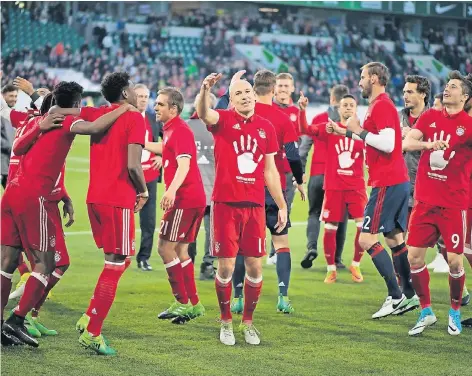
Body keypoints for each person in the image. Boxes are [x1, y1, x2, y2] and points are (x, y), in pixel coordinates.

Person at [1, 81, 133, 347]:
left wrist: (40, 123)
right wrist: (124, 108)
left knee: (6, 263)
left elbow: (17, 149)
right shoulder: (64, 120)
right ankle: (16, 321)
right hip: (34, 195)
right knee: (47, 264)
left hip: (11, 193)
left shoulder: (32, 121)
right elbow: (95, 126)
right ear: (76, 103)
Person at [196, 73, 287, 346]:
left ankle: (248, 322)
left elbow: (270, 170)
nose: (245, 95)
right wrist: (204, 90)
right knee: (224, 268)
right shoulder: (223, 120)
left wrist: (281, 204)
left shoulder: (266, 127)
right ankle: (225, 321)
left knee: (255, 267)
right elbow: (204, 113)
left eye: (248, 91)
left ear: (254, 95)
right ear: (232, 101)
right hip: (225, 205)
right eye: (238, 93)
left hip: (255, 207)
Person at [68, 72, 147, 355]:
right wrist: (144, 191)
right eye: (133, 90)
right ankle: (93, 332)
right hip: (117, 198)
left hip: (95, 198)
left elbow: (69, 108)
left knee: (121, 258)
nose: (138, 94)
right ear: (125, 94)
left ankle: (90, 314)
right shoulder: (135, 118)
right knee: (116, 263)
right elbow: (134, 166)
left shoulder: (101, 112)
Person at [331, 62, 418, 318]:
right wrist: (348, 132)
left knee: (366, 239)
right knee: (394, 239)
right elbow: (379, 140)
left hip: (387, 182)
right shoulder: (382, 105)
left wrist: (358, 130)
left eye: (362, 77)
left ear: (375, 78)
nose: (359, 82)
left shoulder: (381, 105)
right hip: (396, 180)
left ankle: (395, 296)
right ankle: (410, 295)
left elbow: (389, 144)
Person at [227, 70, 304, 315]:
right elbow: (292, 154)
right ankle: (283, 296)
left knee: (242, 245)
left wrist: (231, 86)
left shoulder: (240, 112)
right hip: (274, 188)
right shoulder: (282, 118)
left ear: (253, 89)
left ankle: (237, 297)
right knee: (281, 242)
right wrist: (299, 181)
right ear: (273, 90)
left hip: (245, 187)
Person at [403, 70, 472, 336]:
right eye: (446, 86)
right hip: (424, 201)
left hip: (453, 204)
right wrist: (428, 145)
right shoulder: (430, 116)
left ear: (464, 96)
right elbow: (407, 143)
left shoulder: (468, 125)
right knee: (414, 257)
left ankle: (454, 311)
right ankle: (426, 311)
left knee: (455, 262)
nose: (447, 89)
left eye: (453, 87)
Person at [145, 87, 206, 324]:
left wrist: (170, 191)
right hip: (193, 198)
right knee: (181, 250)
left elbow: (184, 165)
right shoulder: (170, 130)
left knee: (164, 247)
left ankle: (181, 302)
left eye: (160, 104)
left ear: (174, 109)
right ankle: (194, 304)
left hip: (184, 199)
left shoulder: (180, 130)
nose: (155, 107)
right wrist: (142, 143)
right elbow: (166, 149)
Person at [299, 93, 366, 283]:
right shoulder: (329, 129)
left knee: (363, 226)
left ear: (356, 108)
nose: (347, 108)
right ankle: (331, 269)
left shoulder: (363, 132)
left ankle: (355, 264)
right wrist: (302, 110)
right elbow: (305, 129)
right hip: (334, 186)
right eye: (344, 105)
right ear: (339, 108)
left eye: (351, 105)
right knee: (330, 227)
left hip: (356, 186)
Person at [400, 77, 451, 272]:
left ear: (422, 94)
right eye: (404, 91)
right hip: (401, 184)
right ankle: (405, 289)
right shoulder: (397, 117)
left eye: (410, 92)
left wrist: (412, 134)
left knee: (441, 239)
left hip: (429, 186)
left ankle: (457, 278)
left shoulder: (436, 118)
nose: (405, 95)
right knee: (399, 239)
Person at [300, 85, 349, 270]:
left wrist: (301, 172)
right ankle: (336, 258)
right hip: (339, 178)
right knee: (340, 217)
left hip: (317, 174)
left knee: (313, 212)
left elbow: (304, 147)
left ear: (332, 99)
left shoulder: (319, 119)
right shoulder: (349, 123)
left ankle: (311, 247)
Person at [186, 93, 218, 280]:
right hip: (214, 187)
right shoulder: (217, 128)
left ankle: (187, 264)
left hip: (192, 189)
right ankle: (207, 265)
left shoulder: (186, 127)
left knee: (190, 231)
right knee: (212, 231)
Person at [134, 84, 162, 272]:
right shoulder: (124, 118)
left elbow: (169, 137)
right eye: (140, 96)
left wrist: (161, 155)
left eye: (146, 96)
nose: (144, 99)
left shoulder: (153, 119)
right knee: (123, 216)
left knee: (149, 221)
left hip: (150, 177)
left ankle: (144, 257)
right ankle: (118, 253)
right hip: (128, 177)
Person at [1, 84, 18, 188]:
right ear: (3, 96)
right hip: (2, 159)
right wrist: (10, 146)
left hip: (8, 162)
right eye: (11, 96)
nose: (14, 99)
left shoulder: (13, 114)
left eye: (15, 96)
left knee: (12, 195)